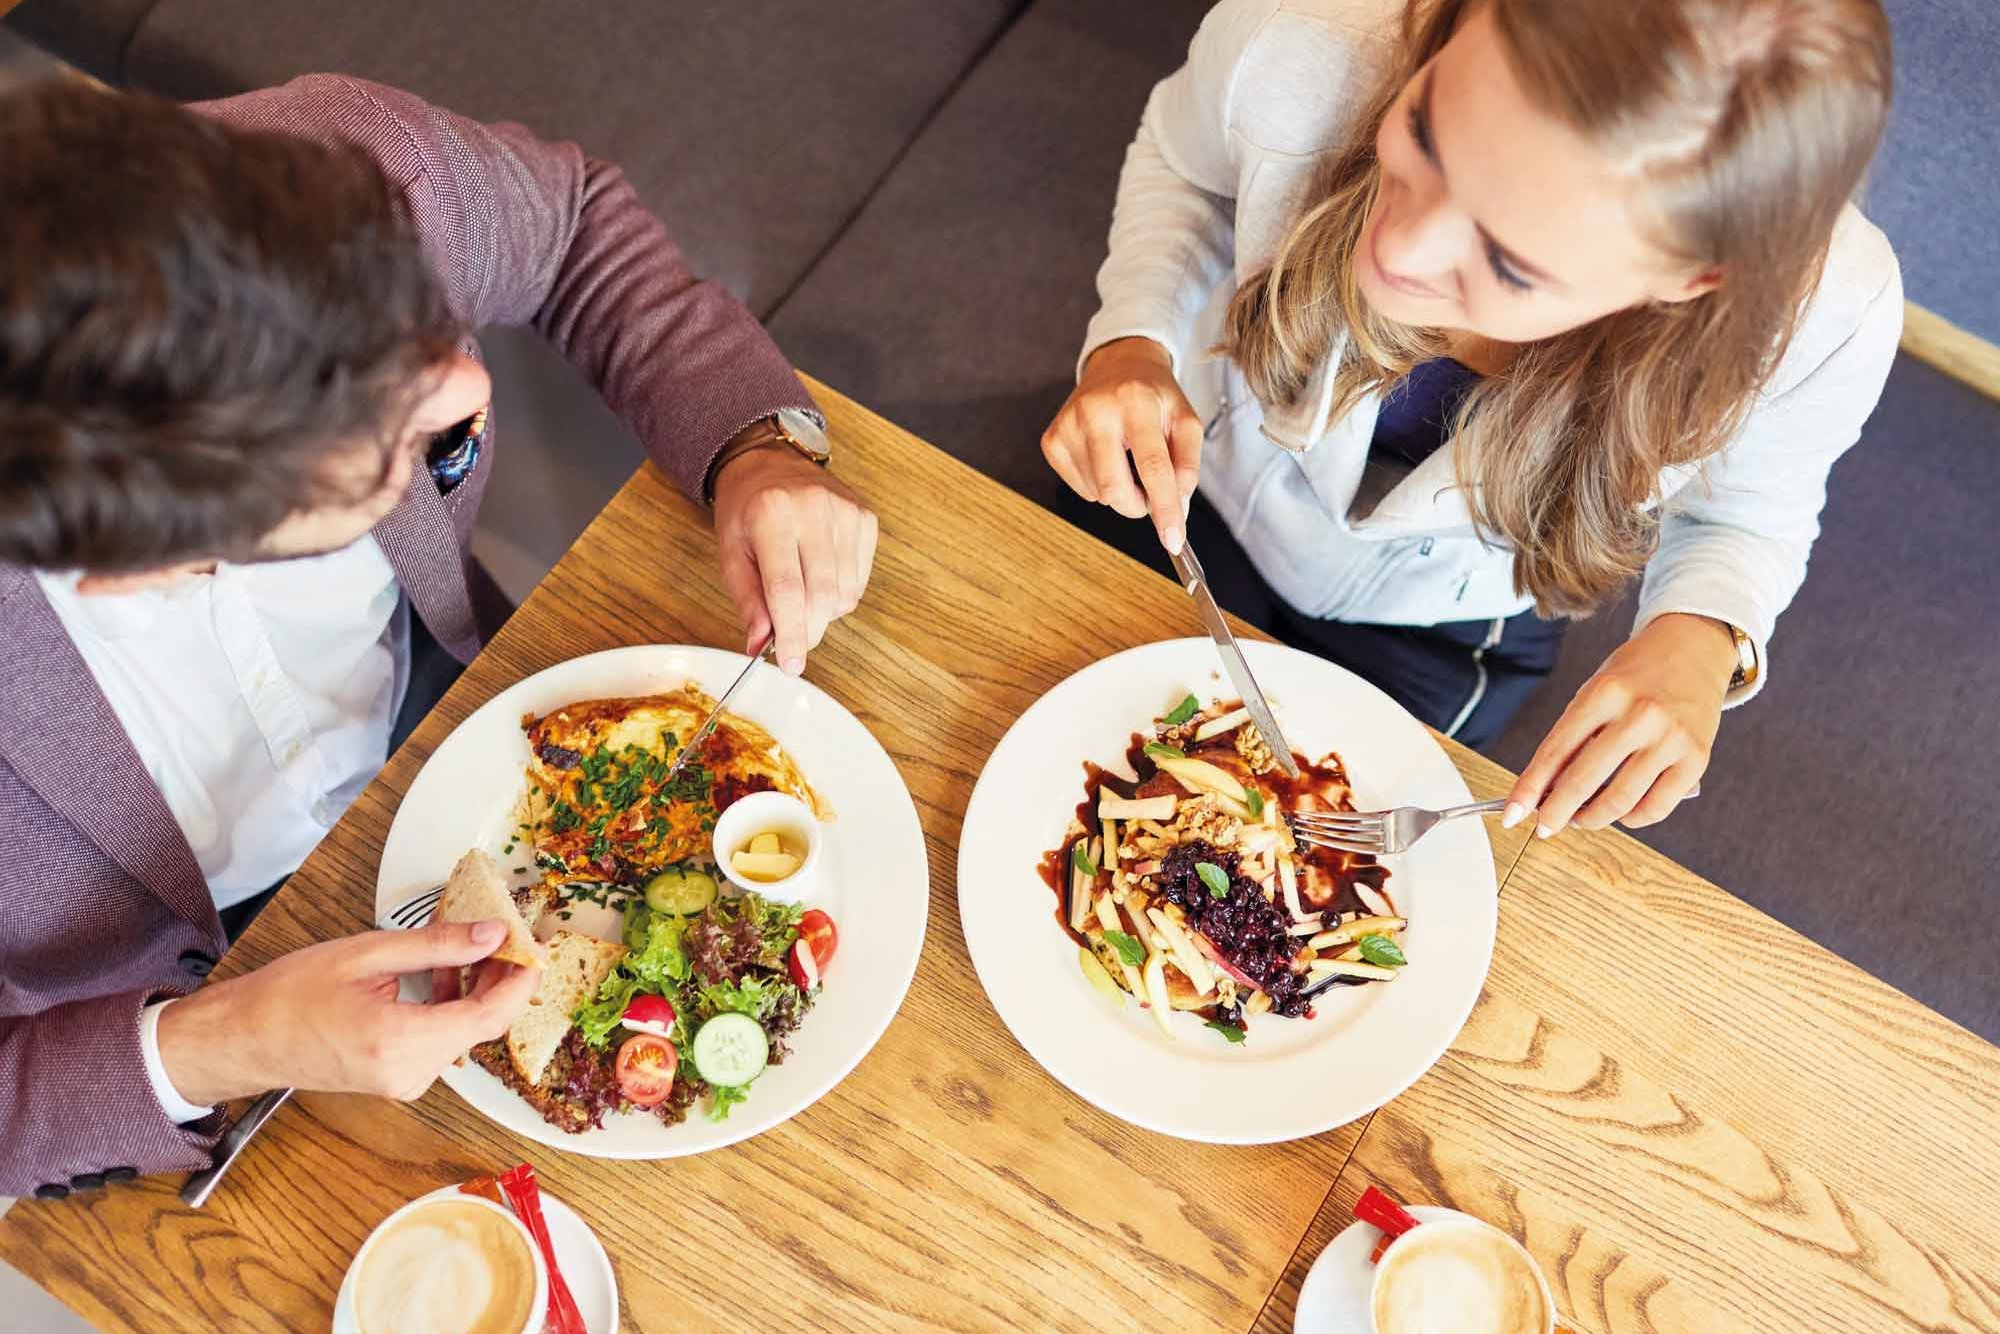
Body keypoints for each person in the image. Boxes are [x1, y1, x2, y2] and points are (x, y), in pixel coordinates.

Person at [0, 75, 877, 1198]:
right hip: (159, 1026)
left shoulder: (360, 169)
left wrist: (752, 445)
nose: (467, 378)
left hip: (466, 703)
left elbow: (571, 229)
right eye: (383, 447)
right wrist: (218, 1044)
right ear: (143, 563)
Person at [1044, 0, 1899, 837]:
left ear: (1694, 278)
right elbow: (1183, 165)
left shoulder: (1825, 324)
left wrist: (1702, 642)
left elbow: (1746, 516)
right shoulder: (1296, 33)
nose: (1398, 251)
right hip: (1197, 490)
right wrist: (1132, 347)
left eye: (1509, 263)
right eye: (1424, 132)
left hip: (1446, 630)